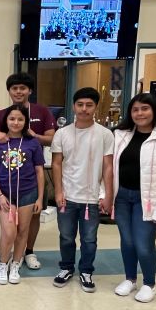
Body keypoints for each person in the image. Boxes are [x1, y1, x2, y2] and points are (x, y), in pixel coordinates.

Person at [112, 93, 156, 303]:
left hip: (150, 200)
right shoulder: (120, 134)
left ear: (154, 110)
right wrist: (104, 195)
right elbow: (109, 168)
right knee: (127, 241)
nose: (140, 113)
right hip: (122, 197)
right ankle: (130, 279)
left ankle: (149, 284)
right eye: (135, 109)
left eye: (145, 108)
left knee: (143, 243)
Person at [0, 72, 55, 270]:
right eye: (14, 88)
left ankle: (28, 251)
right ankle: (6, 259)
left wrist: (34, 136)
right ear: (9, 91)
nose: (18, 91)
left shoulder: (42, 111)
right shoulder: (1, 114)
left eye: (22, 88)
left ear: (30, 91)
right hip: (7, 178)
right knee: (10, 228)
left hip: (31, 175)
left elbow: (52, 139)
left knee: (32, 218)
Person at [51, 87, 113, 292]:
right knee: (66, 236)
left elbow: (107, 166)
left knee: (89, 239)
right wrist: (58, 192)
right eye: (80, 104)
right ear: (73, 106)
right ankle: (67, 267)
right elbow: (57, 164)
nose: (84, 109)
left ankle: (86, 270)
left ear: (95, 107)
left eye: (89, 105)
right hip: (67, 197)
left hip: (92, 199)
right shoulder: (62, 133)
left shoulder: (105, 134)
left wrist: (108, 195)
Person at [0, 105, 45, 284]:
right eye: (12, 119)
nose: (16, 122)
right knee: (9, 231)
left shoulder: (32, 142)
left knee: (22, 232)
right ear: (6, 121)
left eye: (20, 119)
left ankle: (16, 265)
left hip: (28, 193)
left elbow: (40, 171)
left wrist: (40, 198)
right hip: (5, 194)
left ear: (25, 121)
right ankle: (3, 264)